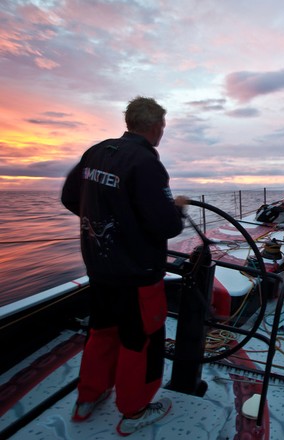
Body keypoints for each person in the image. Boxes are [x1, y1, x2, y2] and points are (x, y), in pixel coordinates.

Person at [61, 96, 187, 436]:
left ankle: (88, 398)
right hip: (137, 275)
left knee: (101, 332)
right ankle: (134, 410)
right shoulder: (146, 163)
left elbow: (70, 198)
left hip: (99, 268)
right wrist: (177, 209)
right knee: (140, 340)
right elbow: (167, 226)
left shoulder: (97, 152)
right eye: (162, 125)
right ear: (155, 126)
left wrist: (106, 221)